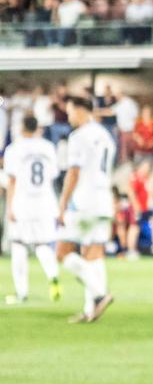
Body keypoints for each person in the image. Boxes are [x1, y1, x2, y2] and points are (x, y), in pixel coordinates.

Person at [57, 96, 116, 324]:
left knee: (62, 252)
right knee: (93, 254)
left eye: (71, 111)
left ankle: (100, 293)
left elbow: (74, 173)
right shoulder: (105, 136)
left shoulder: (79, 137)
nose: (69, 117)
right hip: (103, 199)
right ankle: (91, 310)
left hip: (85, 201)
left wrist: (63, 203)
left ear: (81, 111)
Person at [3, 115, 62, 305]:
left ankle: (22, 293)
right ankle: (53, 276)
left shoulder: (14, 149)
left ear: (22, 127)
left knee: (19, 245)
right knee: (43, 245)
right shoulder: (48, 147)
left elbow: (12, 180)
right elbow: (53, 175)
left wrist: (11, 207)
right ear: (38, 128)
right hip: (45, 201)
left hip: (23, 201)